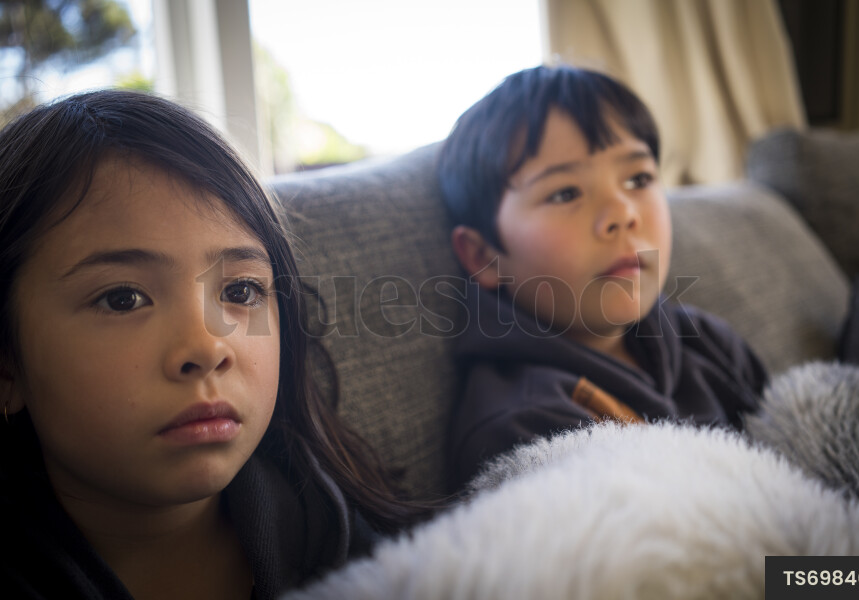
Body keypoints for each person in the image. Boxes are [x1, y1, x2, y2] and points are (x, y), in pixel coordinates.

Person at [0, 90, 426, 599]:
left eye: (240, 291)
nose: (206, 348)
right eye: (121, 299)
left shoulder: (335, 533)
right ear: (8, 365)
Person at [438, 65, 768, 490]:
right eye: (565, 193)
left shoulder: (706, 340)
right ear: (483, 257)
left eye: (637, 179)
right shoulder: (527, 427)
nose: (622, 214)